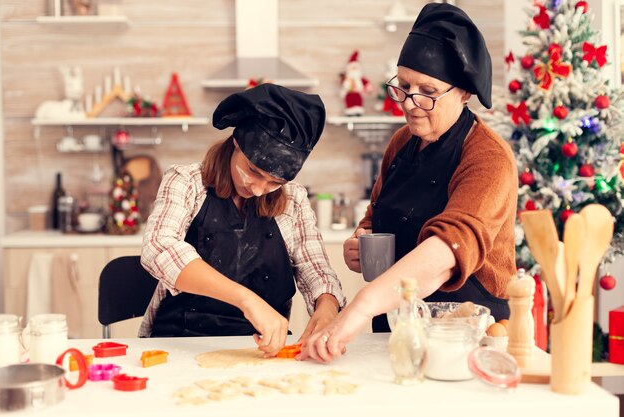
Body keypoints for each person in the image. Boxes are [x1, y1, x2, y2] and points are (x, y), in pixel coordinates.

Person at [300, 3, 517, 363]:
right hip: (399, 328)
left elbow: (448, 252)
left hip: (467, 336)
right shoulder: (401, 142)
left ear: (463, 92)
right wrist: (360, 240)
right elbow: (376, 213)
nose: (411, 103)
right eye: (403, 86)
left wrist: (360, 307)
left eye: (428, 91)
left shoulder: (487, 157)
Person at [139, 84, 346, 357]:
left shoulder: (294, 200)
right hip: (180, 341)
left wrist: (327, 306)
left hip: (260, 348)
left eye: (275, 182)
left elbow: (315, 267)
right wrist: (247, 300)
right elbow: (158, 247)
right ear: (236, 142)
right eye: (253, 171)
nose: (259, 189)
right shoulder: (187, 182)